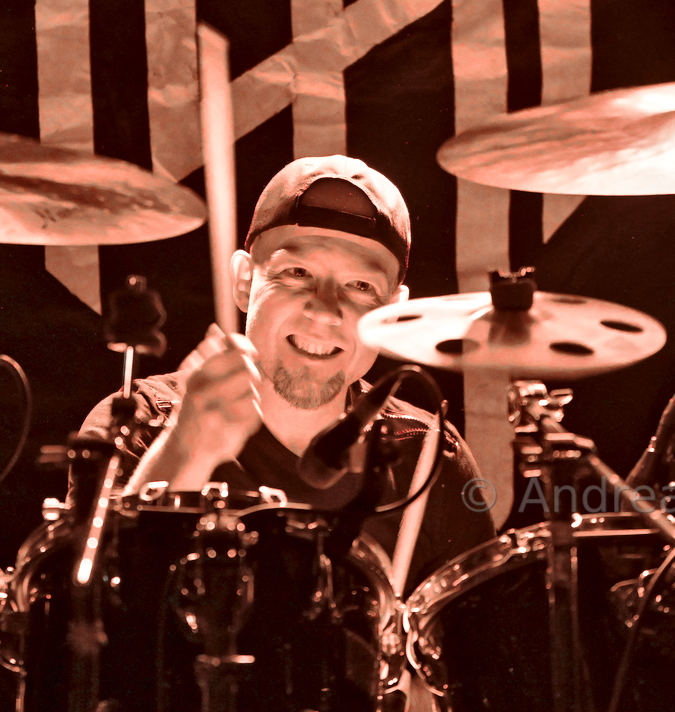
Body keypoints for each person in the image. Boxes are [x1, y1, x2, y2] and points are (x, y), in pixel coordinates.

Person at [79, 154, 494, 591]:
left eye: (361, 286)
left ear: (392, 311)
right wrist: (185, 449)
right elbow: (86, 611)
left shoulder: (428, 457)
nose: (325, 310)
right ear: (244, 281)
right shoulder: (138, 423)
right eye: (298, 273)